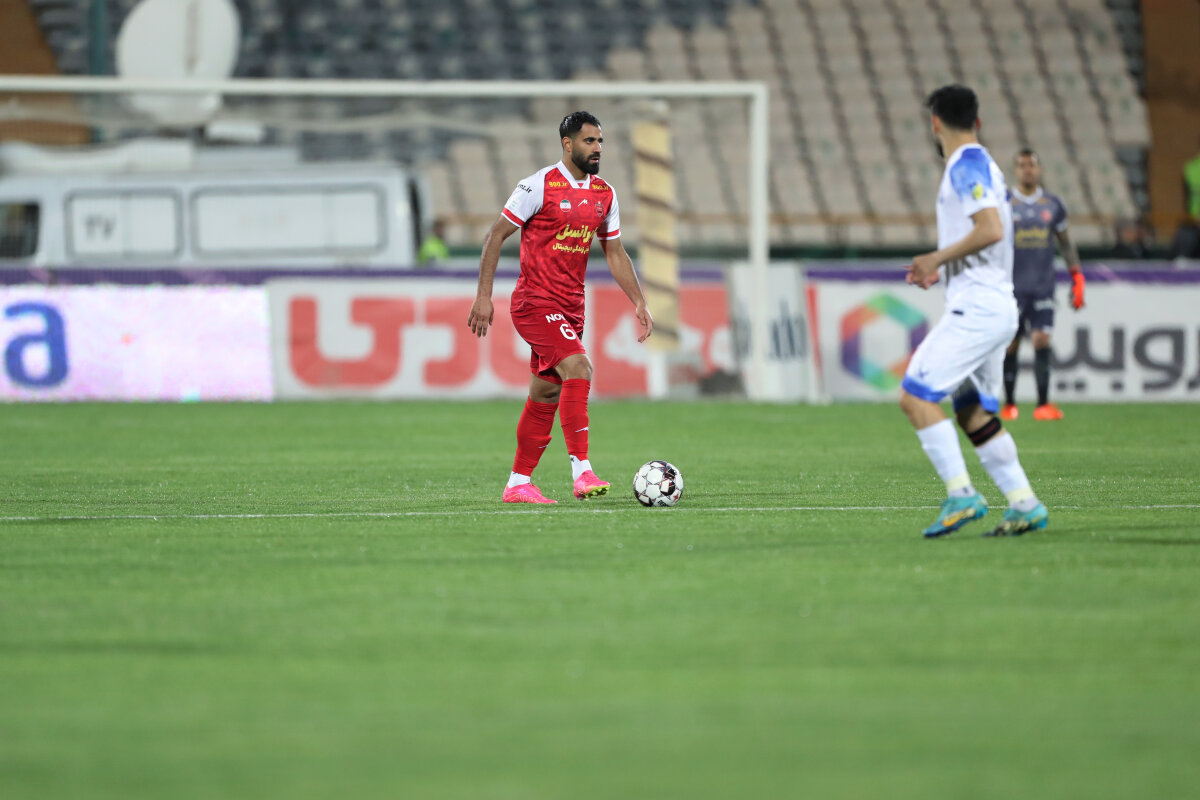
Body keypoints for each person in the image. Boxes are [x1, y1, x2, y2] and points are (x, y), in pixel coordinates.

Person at [467, 111, 653, 504]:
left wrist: (638, 300)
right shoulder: (538, 186)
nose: (597, 148)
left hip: (571, 308)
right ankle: (582, 472)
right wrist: (483, 296)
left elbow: (615, 251)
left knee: (546, 393)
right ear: (567, 144)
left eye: (600, 141)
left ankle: (518, 482)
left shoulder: (605, 194)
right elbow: (495, 236)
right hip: (534, 301)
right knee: (579, 367)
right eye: (589, 141)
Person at [900, 84, 1047, 538]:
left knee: (915, 396)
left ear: (934, 123)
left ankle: (961, 494)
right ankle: (1024, 503)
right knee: (972, 413)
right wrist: (945, 266)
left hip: (980, 309)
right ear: (977, 121)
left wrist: (936, 258)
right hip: (992, 305)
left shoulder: (967, 165)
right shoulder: (983, 165)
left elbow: (990, 229)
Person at [1000, 148, 1084, 422]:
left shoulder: (1053, 204)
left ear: (1039, 169)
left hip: (1043, 285)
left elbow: (1065, 243)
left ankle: (1043, 404)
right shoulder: (1004, 202)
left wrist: (1077, 276)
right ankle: (1009, 404)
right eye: (1022, 165)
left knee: (1041, 339)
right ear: (1016, 170)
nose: (1027, 169)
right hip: (1011, 287)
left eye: (1031, 165)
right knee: (1011, 344)